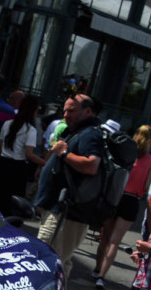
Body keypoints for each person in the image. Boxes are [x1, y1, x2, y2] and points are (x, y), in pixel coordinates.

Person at [33, 94, 104, 279]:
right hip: (59, 210)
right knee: (58, 262)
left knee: (45, 260)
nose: (65, 114)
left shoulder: (91, 134)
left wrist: (63, 153)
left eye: (71, 110)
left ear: (87, 111)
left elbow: (91, 165)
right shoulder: (79, 131)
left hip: (66, 212)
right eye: (65, 110)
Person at [93, 125, 151, 288]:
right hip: (132, 200)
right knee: (115, 241)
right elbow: (147, 186)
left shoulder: (126, 153)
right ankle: (102, 276)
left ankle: (97, 268)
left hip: (116, 195)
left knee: (105, 237)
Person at [0, 94, 46, 217]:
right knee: (12, 206)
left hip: (1, 165)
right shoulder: (31, 130)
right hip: (17, 170)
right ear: (33, 111)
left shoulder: (7, 124)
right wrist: (44, 162)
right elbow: (29, 154)